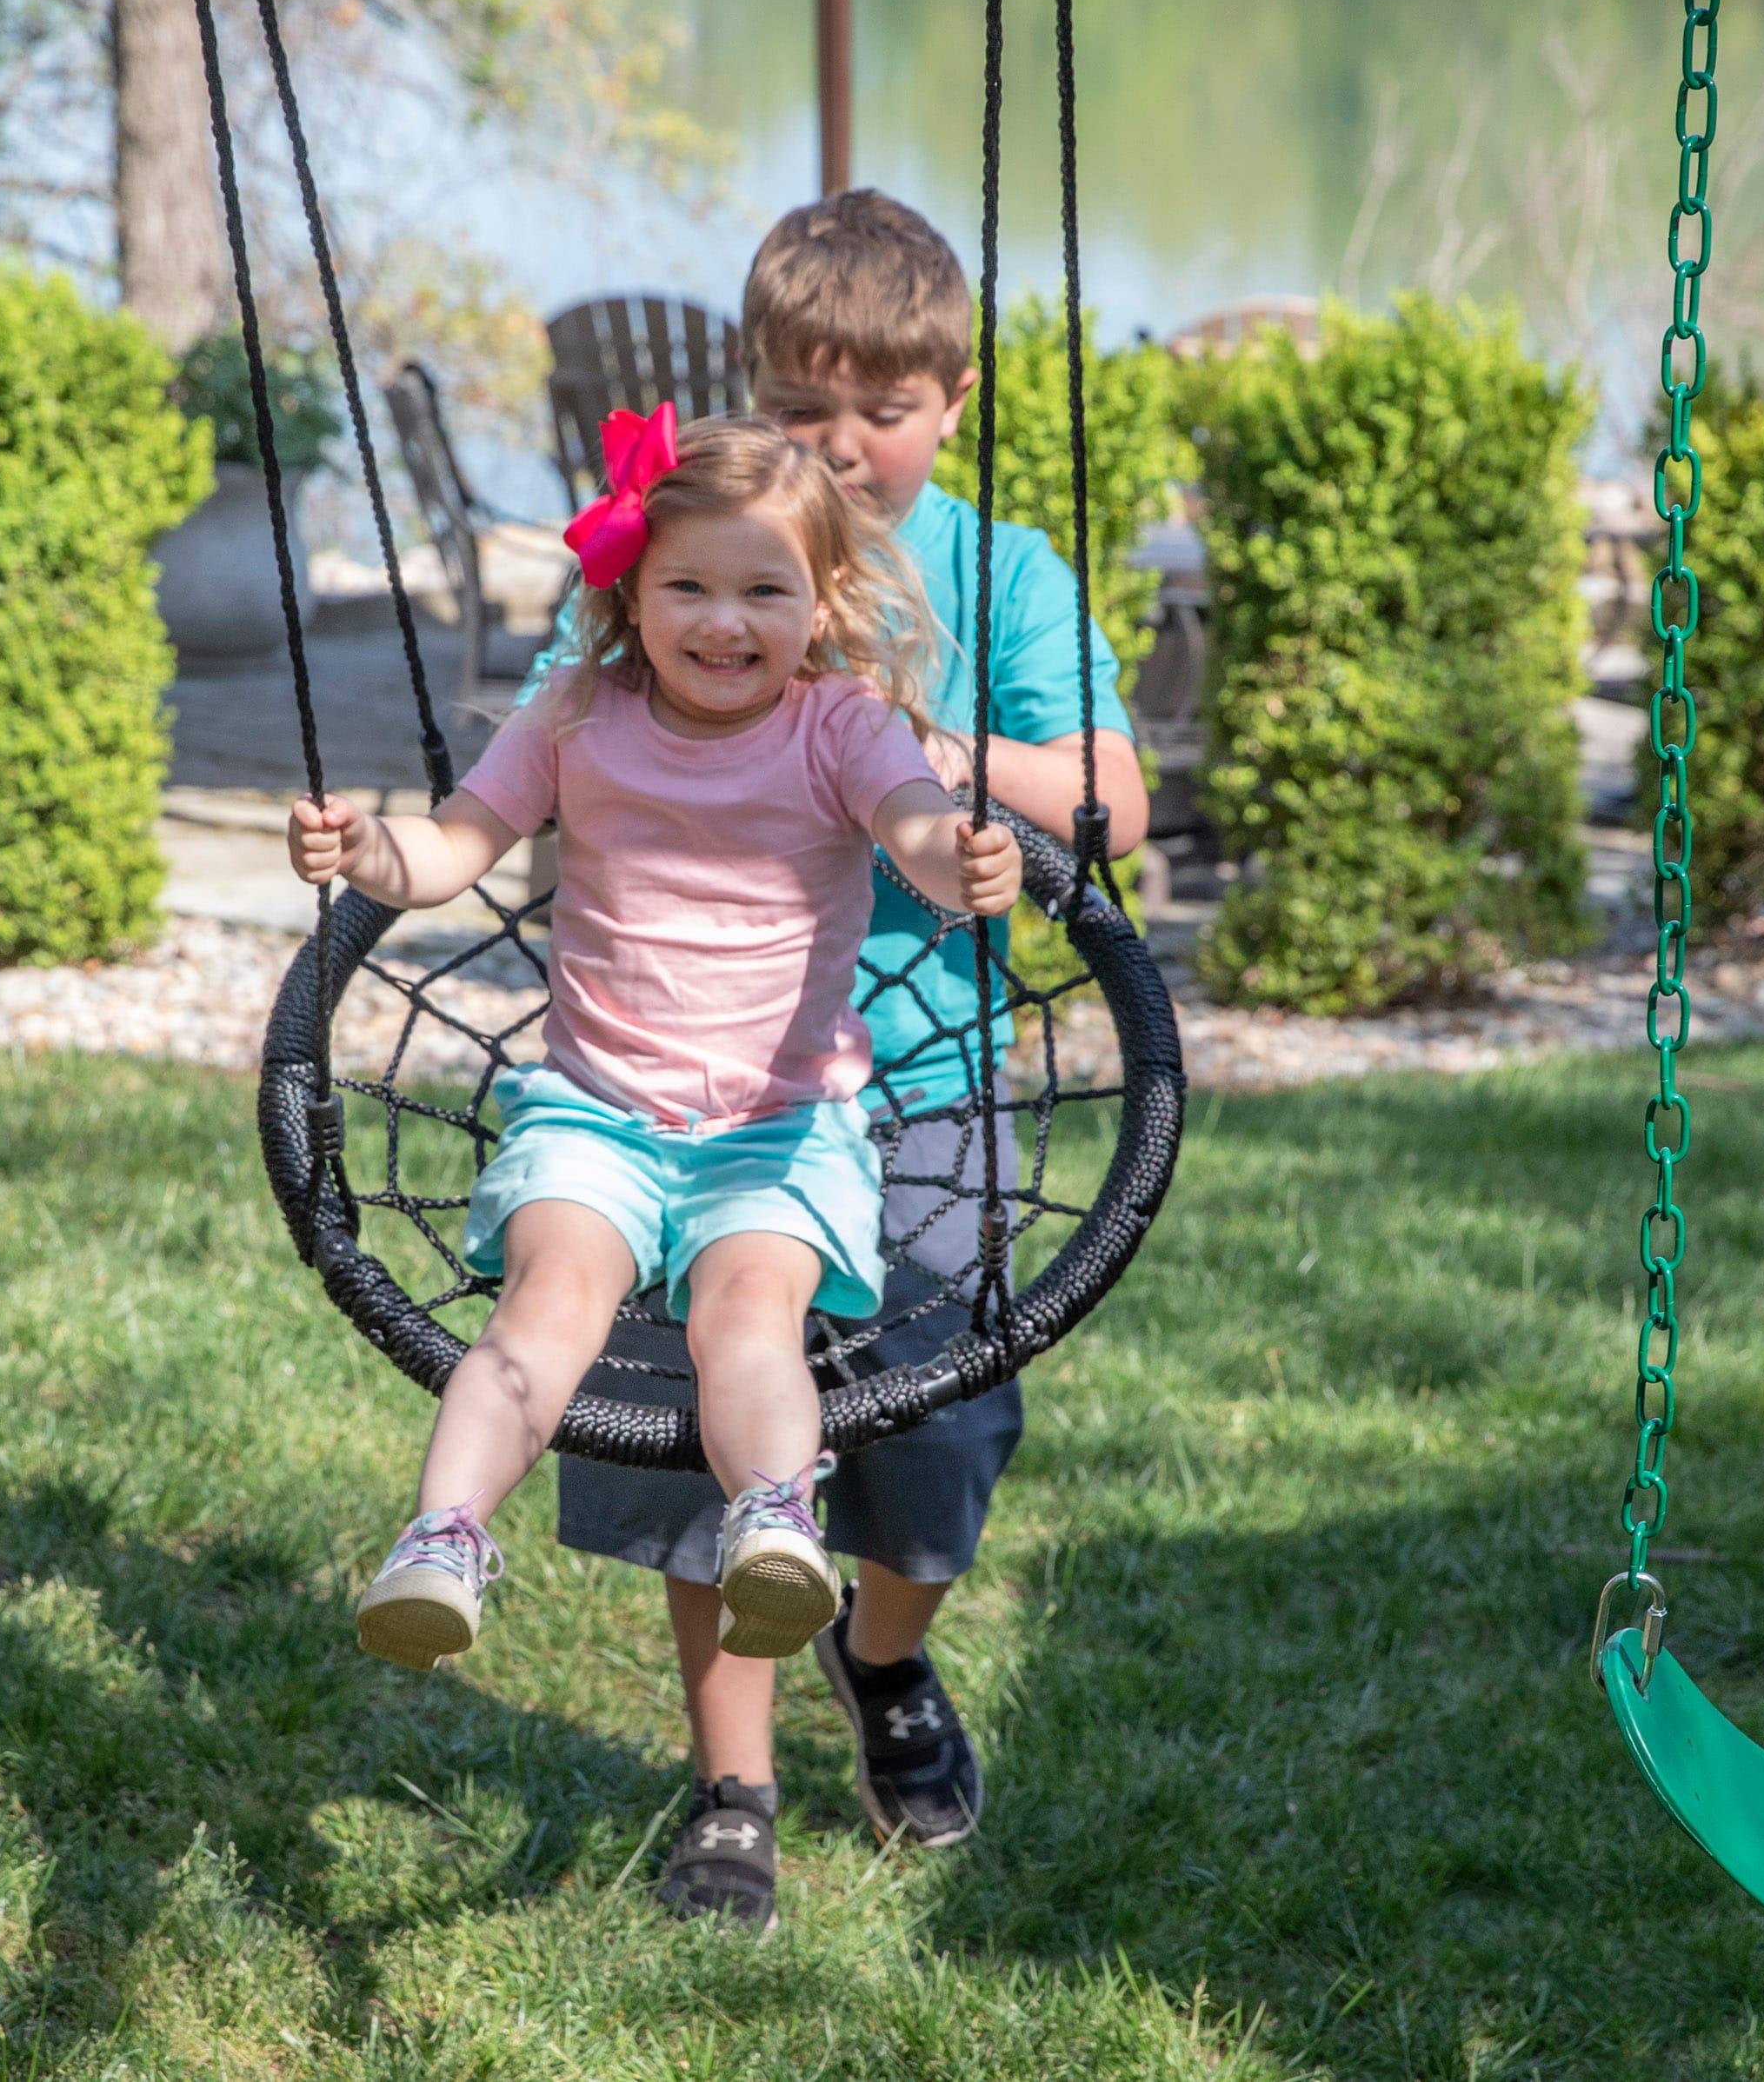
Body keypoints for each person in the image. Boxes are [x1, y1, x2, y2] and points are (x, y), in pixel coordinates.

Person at [529, 190, 1150, 1928]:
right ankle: (730, 1783)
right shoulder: (697, 548)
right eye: (804, 408)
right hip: (679, 1088)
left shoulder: (998, 571)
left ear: (948, 395)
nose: (844, 445)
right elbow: (555, 724)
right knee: (688, 1432)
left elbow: (1111, 794)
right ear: (755, 393)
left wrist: (913, 746)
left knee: (939, 1428)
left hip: (923, 1076)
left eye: (881, 407)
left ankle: (882, 1660)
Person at [287, 408, 1022, 1683]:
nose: (722, 621)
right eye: (686, 585)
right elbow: (451, 851)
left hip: (781, 1124)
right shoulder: (575, 715)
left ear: (823, 596)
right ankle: (443, 1540)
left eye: (761, 589)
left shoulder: (845, 727)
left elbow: (914, 835)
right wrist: (363, 851)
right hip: (594, 1116)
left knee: (751, 1315)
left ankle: (774, 1524)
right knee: (546, 1311)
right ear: (629, 589)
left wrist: (962, 860)